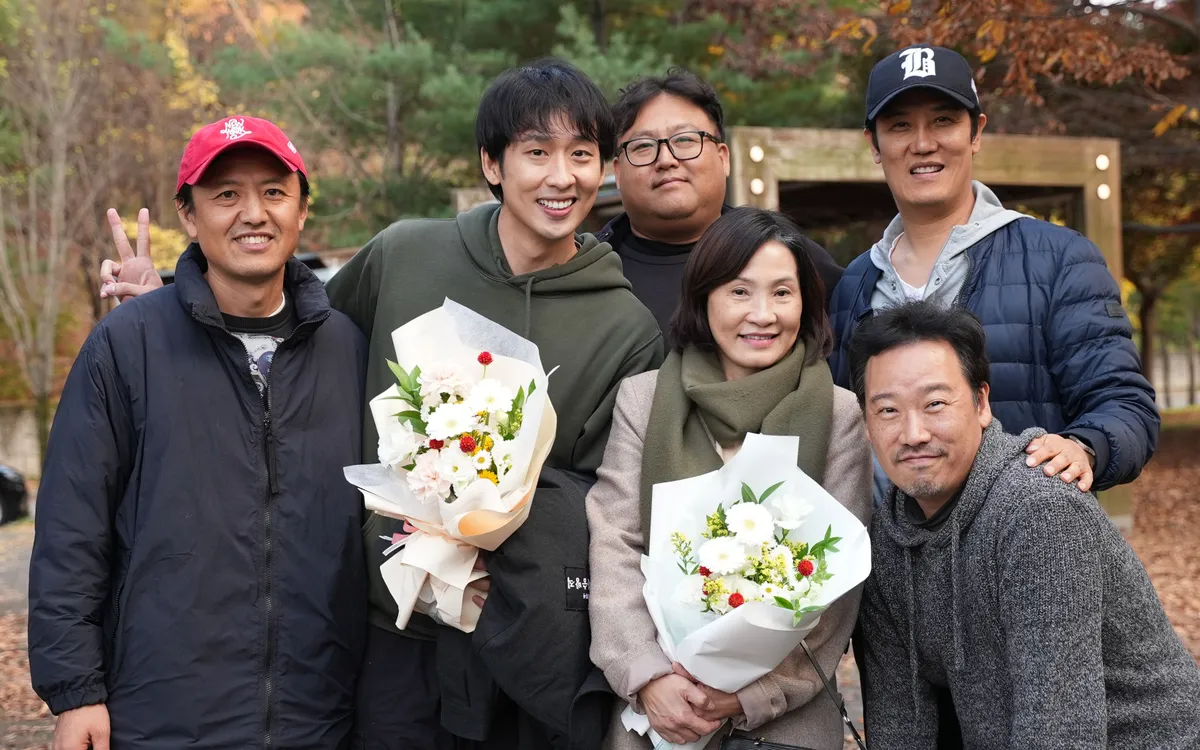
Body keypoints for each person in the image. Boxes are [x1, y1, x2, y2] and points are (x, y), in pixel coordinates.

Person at [99, 61, 663, 748]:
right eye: (537, 152)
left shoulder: (625, 327)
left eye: (581, 155)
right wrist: (170, 306)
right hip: (385, 634)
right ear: (492, 164)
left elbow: (608, 497)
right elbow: (295, 339)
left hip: (526, 636)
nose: (561, 176)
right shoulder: (406, 255)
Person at [29, 117, 368, 749]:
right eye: (226, 194)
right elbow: (71, 529)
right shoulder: (126, 346)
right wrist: (76, 692)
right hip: (162, 715)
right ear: (188, 215)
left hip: (320, 716)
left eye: (274, 192)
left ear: (301, 210)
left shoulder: (348, 349)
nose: (253, 213)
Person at [849, 301, 1200, 748]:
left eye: (935, 404)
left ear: (981, 403)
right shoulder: (886, 538)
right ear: (865, 422)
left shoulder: (1039, 512)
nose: (913, 433)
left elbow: (1061, 731)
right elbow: (899, 723)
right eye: (888, 411)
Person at [587, 207, 872, 749]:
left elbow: (839, 583)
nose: (762, 314)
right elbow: (614, 540)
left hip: (785, 721)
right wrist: (646, 675)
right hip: (657, 714)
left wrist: (753, 693)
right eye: (740, 292)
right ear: (704, 298)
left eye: (782, 293)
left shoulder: (838, 413)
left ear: (806, 303)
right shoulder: (645, 399)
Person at [827, 45, 1159, 501]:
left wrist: (1084, 447)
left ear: (976, 132)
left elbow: (1125, 404)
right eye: (900, 125)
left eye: (943, 120)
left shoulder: (1058, 258)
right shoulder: (855, 285)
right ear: (874, 144)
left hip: (1024, 535)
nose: (923, 143)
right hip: (891, 543)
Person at [599, 69, 843, 331]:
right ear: (618, 172)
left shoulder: (794, 259)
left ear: (723, 158)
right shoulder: (587, 269)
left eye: (685, 140)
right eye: (643, 146)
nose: (666, 160)